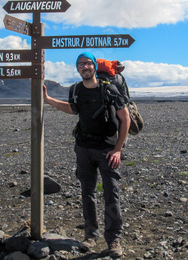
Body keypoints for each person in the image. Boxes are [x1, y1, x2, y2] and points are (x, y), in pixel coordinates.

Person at [43, 52, 130, 258]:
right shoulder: (75, 90)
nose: (85, 67)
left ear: (94, 66)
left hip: (107, 149)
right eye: (81, 64)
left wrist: (118, 149)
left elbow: (125, 119)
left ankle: (113, 240)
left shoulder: (109, 90)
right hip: (83, 148)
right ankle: (90, 236)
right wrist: (48, 99)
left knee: (111, 194)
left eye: (88, 63)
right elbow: (73, 109)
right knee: (87, 193)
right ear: (78, 68)